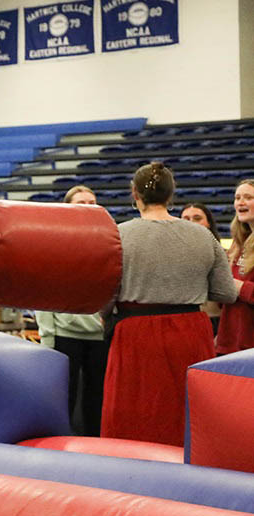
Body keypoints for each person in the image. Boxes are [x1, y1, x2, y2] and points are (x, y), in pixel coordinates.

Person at [100, 163, 237, 446]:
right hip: (190, 332)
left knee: (135, 414)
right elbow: (226, 293)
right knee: (190, 412)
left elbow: (104, 296)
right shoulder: (203, 236)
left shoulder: (117, 236)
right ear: (170, 195)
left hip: (135, 334)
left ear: (134, 194)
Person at [34, 185, 108, 436]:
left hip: (99, 335)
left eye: (92, 202)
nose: (88, 206)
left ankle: (96, 443)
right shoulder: (52, 240)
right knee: (63, 397)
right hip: (65, 336)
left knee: (96, 398)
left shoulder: (109, 240)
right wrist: (47, 335)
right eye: (81, 202)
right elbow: (41, 289)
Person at [216, 179, 254, 355]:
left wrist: (240, 287)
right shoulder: (237, 244)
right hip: (230, 343)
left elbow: (237, 287)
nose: (240, 202)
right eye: (237, 197)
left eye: (248, 197)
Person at [181, 202, 223, 332]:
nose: (192, 223)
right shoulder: (169, 257)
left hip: (216, 322)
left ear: (208, 223)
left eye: (197, 218)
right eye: (186, 219)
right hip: (183, 322)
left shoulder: (225, 256)